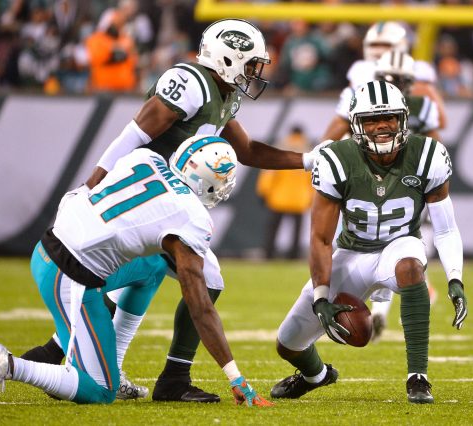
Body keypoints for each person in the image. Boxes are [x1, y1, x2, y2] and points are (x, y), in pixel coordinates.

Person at [22, 18, 326, 403]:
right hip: (152, 202)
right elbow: (133, 134)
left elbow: (248, 151)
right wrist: (92, 182)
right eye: (250, 64)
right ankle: (170, 377)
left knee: (146, 274)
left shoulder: (223, 91)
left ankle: (69, 353)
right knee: (205, 280)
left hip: (166, 203)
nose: (254, 73)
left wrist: (307, 159)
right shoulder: (191, 81)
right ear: (226, 58)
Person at [0, 135, 272, 408]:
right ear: (207, 180)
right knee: (101, 391)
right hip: (70, 277)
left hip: (49, 247)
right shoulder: (192, 216)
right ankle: (8, 364)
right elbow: (200, 307)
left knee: (153, 265)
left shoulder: (146, 158)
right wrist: (235, 376)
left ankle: (107, 360)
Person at [270, 81, 467, 404]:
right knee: (288, 343)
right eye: (370, 121)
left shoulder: (428, 154)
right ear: (356, 125)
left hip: (399, 244)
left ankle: (418, 377)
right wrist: (321, 295)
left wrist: (455, 278)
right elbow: (320, 238)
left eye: (388, 118)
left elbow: (445, 229)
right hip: (352, 253)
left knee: (410, 268)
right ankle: (316, 376)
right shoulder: (335, 158)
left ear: (403, 119)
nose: (380, 127)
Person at [322, 50, 442, 343]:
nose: (397, 84)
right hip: (362, 178)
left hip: (404, 182)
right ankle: (362, 302)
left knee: (394, 241)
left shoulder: (421, 106)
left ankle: (380, 309)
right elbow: (332, 136)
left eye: (401, 80)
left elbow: (435, 148)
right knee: (356, 244)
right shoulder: (357, 96)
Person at [256, 125, 315, 259]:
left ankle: (268, 254)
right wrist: (312, 197)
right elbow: (313, 179)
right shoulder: (308, 151)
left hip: (279, 198)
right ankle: (293, 256)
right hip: (300, 199)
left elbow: (269, 174)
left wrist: (263, 192)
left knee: (273, 229)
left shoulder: (281, 147)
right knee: (296, 232)